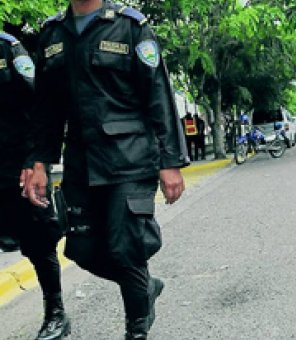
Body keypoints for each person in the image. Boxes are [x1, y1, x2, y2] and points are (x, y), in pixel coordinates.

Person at [24, 1, 189, 339]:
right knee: (82, 251)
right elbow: (45, 110)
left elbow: (158, 94)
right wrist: (39, 163)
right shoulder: (52, 34)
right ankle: (145, 287)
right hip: (82, 163)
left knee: (125, 248)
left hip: (129, 158)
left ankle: (136, 330)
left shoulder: (131, 27)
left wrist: (170, 161)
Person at [0, 31, 70, 340]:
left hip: (15, 165)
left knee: (37, 240)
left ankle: (55, 312)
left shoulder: (8, 49)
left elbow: (41, 105)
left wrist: (36, 161)